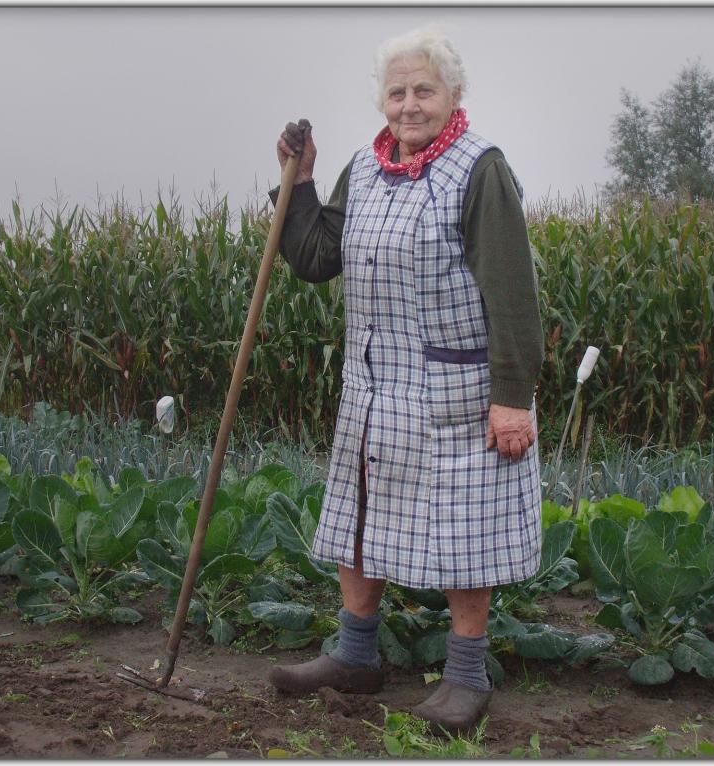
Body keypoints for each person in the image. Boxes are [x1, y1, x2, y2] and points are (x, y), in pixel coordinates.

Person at [267, 26, 543, 733]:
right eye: (398, 91)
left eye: (424, 89)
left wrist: (512, 398)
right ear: (383, 100)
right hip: (372, 391)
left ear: (452, 96)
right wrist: (298, 181)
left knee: (462, 532)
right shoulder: (363, 169)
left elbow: (511, 291)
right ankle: (356, 655)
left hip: (456, 393)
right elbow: (315, 255)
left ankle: (466, 675)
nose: (409, 104)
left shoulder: (480, 169)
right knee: (360, 523)